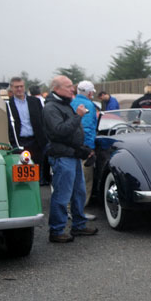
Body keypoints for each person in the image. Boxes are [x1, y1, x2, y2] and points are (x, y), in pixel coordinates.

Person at [42, 75, 98, 243]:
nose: (72, 89)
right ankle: (57, 230)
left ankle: (79, 225)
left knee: (79, 192)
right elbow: (59, 131)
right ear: (56, 89)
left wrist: (83, 150)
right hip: (62, 156)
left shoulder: (64, 105)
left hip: (72, 155)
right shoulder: (51, 108)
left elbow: (70, 134)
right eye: (68, 86)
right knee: (62, 194)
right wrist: (78, 116)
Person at [6, 76, 49, 185]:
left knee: (37, 174)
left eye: (21, 86)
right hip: (18, 143)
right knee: (20, 175)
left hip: (36, 142)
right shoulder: (8, 105)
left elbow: (42, 120)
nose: (19, 89)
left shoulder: (34, 101)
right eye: (16, 87)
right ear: (11, 88)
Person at [72, 80, 99, 215]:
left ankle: (70, 207)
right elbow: (87, 127)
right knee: (85, 178)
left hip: (71, 145)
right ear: (89, 93)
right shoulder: (88, 105)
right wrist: (89, 147)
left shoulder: (71, 102)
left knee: (72, 177)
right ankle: (79, 209)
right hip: (84, 145)